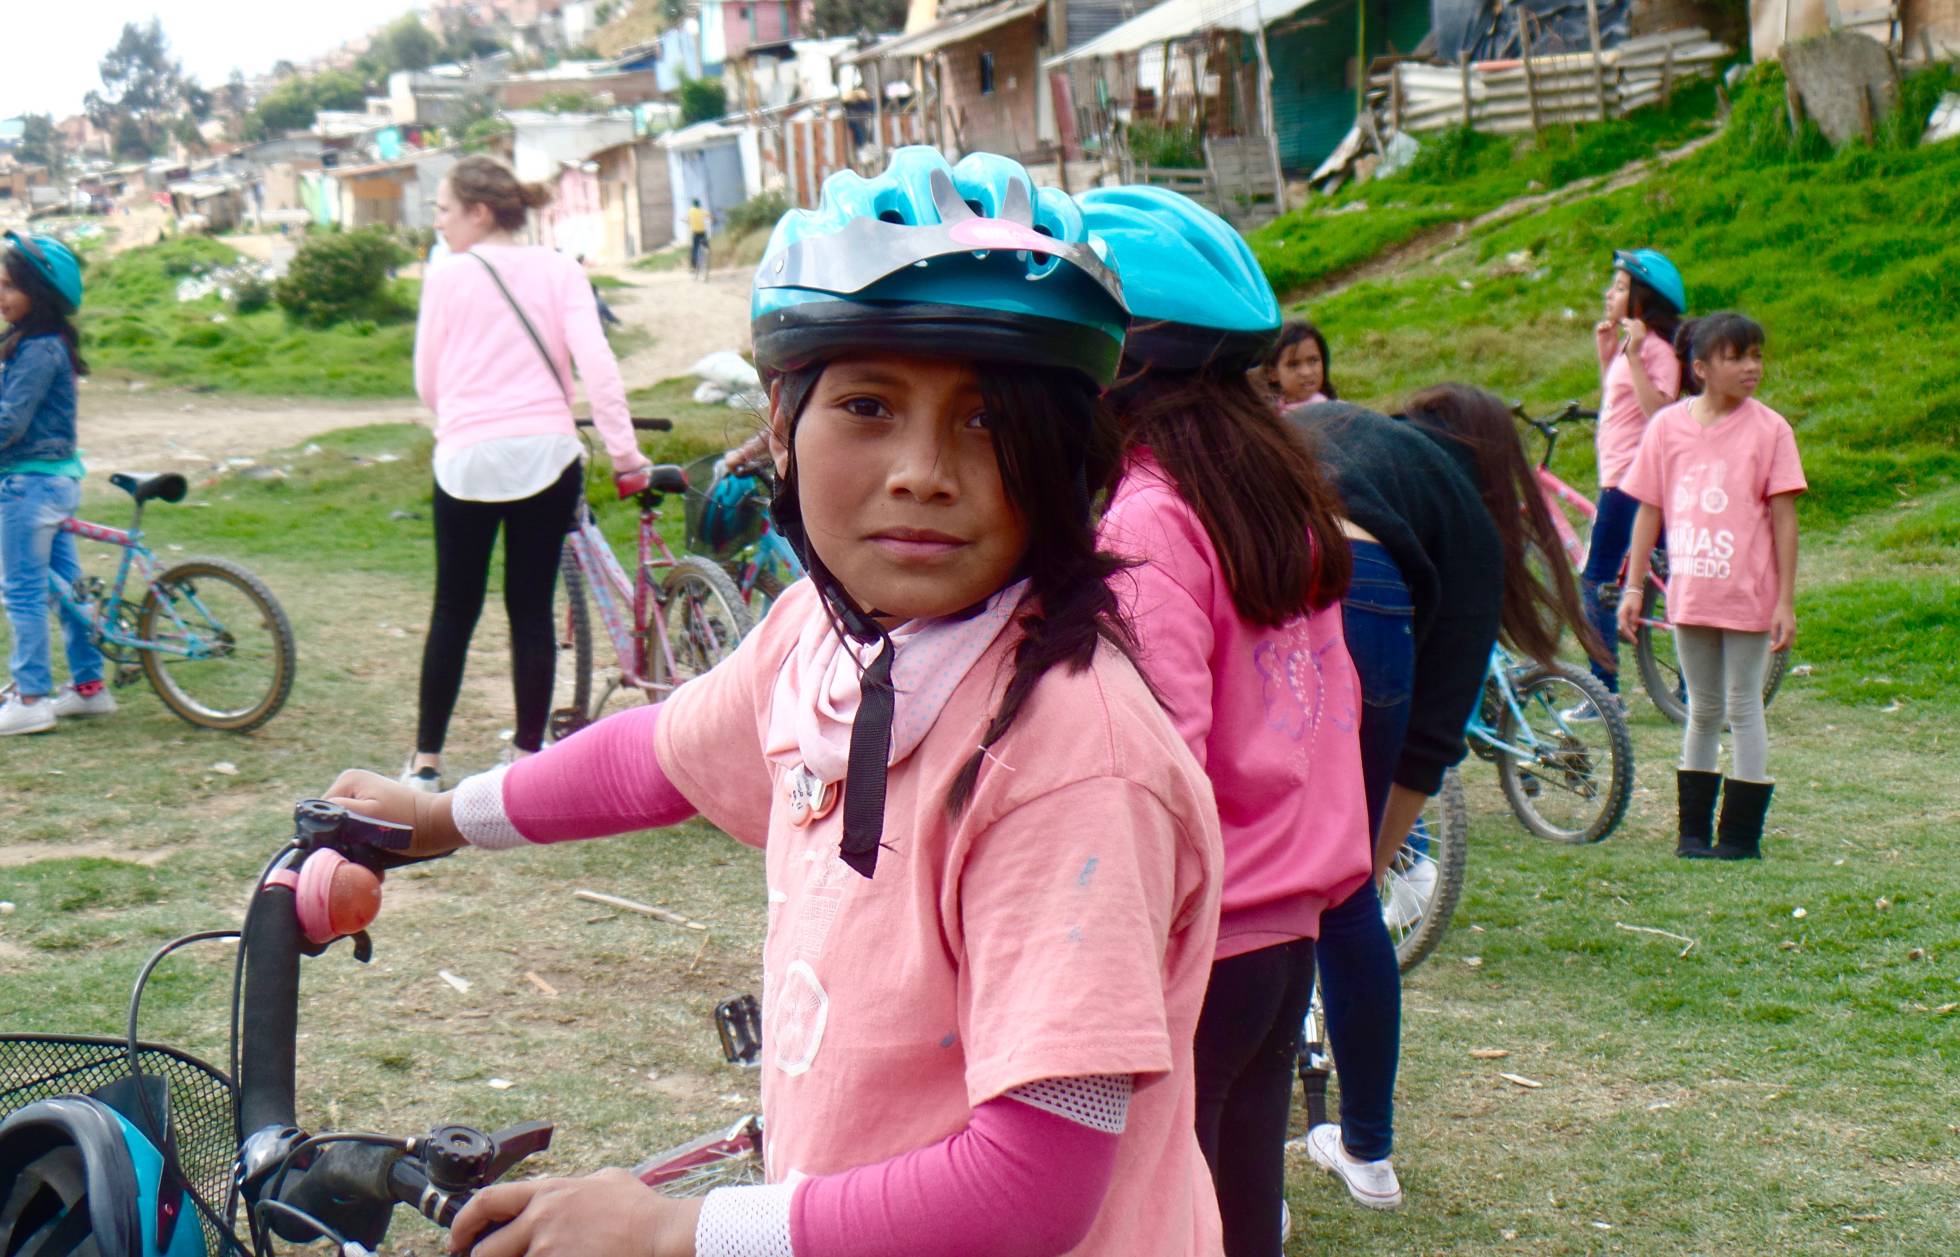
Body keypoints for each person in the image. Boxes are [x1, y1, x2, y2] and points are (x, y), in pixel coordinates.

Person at [327, 147, 1226, 1257]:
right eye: (864, 404)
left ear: (1069, 460)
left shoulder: (1069, 763)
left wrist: (677, 1234)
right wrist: (444, 816)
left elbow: (1033, 1184)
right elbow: (654, 755)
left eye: (989, 421)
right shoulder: (826, 633)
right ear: (781, 426)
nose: (920, 471)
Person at [1080, 186, 1368, 1253]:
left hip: (1203, 929)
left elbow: (1160, 759)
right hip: (1287, 914)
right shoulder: (1269, 484)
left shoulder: (1149, 517)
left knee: (1162, 1207)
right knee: (1240, 1184)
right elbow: (1326, 704)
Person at [1284, 386, 1608, 1208]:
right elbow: (1433, 732)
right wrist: (1359, 867)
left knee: (1233, 894)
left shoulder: (1328, 423)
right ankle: (1368, 1155)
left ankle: (1236, 1173)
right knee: (1342, 900)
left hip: (1257, 566)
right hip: (1369, 598)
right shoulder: (1463, 509)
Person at [403, 154, 652, 790]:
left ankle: (426, 763)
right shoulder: (560, 269)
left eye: (445, 210)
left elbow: (427, 382)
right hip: (547, 454)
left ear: (480, 213)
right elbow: (597, 366)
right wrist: (625, 456)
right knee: (531, 609)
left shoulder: (448, 275)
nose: (439, 223)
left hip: (466, 458)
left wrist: (465, 413)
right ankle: (526, 758)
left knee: (453, 608)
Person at [1617, 313, 1803, 860]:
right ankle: (1692, 834)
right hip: (1690, 593)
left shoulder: (1772, 430)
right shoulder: (1668, 428)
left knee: (1744, 707)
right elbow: (1649, 509)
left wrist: (1785, 600)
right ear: (1700, 368)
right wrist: (1632, 588)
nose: (1753, 368)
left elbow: (1784, 518)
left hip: (1748, 595)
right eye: (1738, 357)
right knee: (1702, 707)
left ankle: (1741, 838)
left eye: (1757, 356)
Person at [0, 231, 114, 737]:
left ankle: (31, 699)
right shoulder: (43, 343)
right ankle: (89, 689)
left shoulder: (37, 349)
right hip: (54, 482)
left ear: (39, 294)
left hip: (30, 486)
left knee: (22, 591)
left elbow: (9, 423)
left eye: (9, 286)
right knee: (67, 590)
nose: (1, 296)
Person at [1577, 248, 1686, 706]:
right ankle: (1691, 684)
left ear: (1642, 300)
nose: (1609, 294)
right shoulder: (1633, 347)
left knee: (1596, 580)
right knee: (1667, 578)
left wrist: (1636, 357)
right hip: (1626, 477)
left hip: (1630, 482)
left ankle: (1604, 691)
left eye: (1620, 288)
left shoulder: (1655, 350)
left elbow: (1657, 413)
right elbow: (1619, 406)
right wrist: (1610, 357)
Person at [1261, 319, 1334, 409]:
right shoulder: (1268, 412)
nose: (1306, 372)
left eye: (1313, 361)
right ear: (1272, 373)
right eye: (1293, 365)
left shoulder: (1333, 411)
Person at [687, 198, 711, 278]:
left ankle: (693, 266)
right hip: (702, 233)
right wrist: (715, 220)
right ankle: (707, 256)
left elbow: (687, 219)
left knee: (694, 249)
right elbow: (710, 216)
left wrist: (686, 221)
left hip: (695, 233)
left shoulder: (691, 211)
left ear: (693, 204)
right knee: (706, 246)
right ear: (699, 204)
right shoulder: (702, 211)